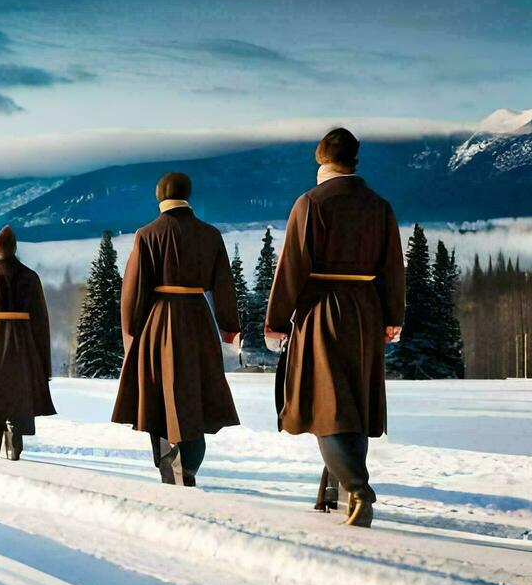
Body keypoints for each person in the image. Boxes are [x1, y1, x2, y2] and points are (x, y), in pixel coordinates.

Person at [266, 128, 404, 527]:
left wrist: (275, 322)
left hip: (321, 311)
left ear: (322, 160)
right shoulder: (380, 206)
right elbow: (394, 267)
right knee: (353, 403)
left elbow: (292, 265)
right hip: (366, 311)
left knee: (327, 405)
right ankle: (335, 495)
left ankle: (358, 490)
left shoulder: (311, 203)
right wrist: (393, 317)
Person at [111, 174, 241, 485]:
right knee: (194, 390)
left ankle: (172, 464)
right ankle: (190, 459)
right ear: (188, 194)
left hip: (159, 323)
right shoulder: (210, 235)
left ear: (159, 196)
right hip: (198, 320)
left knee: (160, 394)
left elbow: (134, 290)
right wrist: (229, 327)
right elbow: (224, 285)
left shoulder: (147, 234)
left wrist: (130, 331)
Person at [0, 227, 55, 460]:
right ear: (14, 250)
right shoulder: (30, 276)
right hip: (23, 342)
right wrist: (43, 363)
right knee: (18, 391)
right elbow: (41, 323)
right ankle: (15, 434)